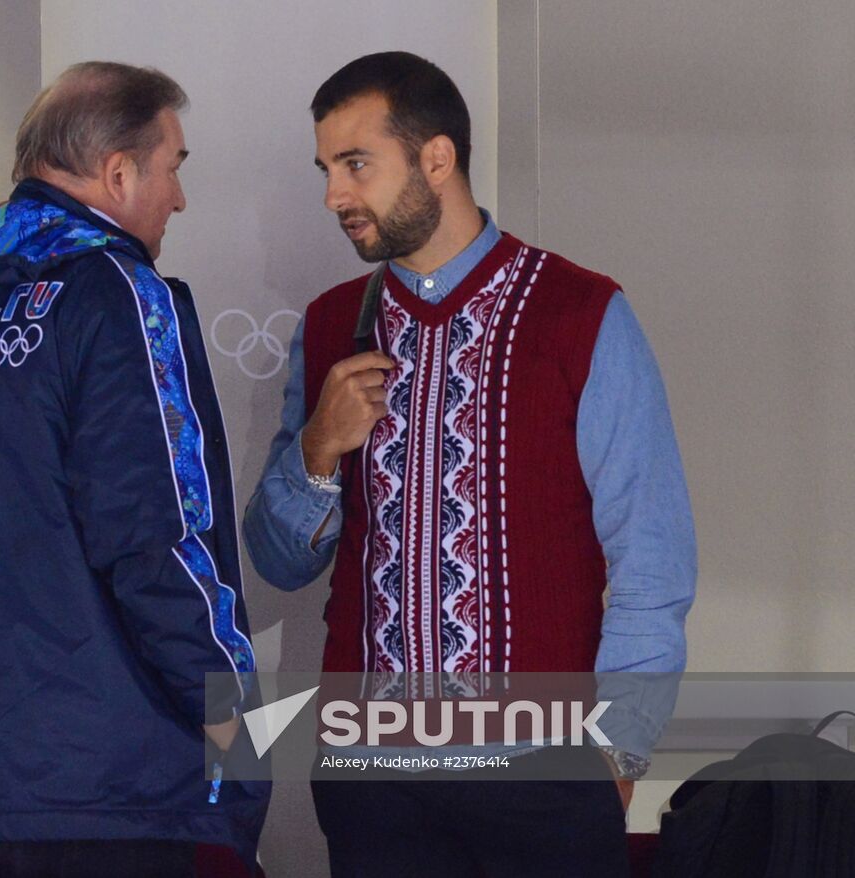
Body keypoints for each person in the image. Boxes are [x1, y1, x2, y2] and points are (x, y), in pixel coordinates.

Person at [243, 51, 697, 876]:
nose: (333, 197)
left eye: (355, 165)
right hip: (376, 779)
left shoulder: (580, 313)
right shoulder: (331, 325)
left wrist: (618, 750)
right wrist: (316, 451)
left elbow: (652, 552)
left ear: (437, 159)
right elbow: (278, 559)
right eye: (326, 170)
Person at [0, 61, 268, 878]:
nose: (178, 199)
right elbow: (161, 543)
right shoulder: (117, 293)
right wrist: (241, 732)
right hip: (118, 795)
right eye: (173, 168)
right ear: (117, 172)